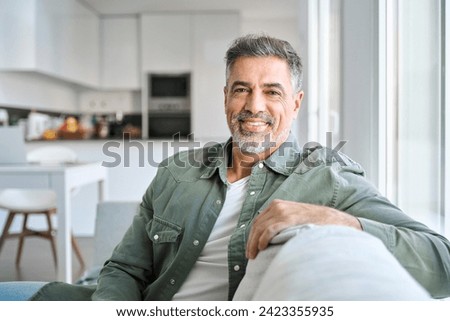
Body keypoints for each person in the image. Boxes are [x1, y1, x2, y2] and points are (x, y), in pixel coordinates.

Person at [28, 34, 450, 301]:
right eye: (242, 90)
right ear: (225, 96)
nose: (254, 106)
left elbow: (441, 261)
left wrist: (333, 219)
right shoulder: (177, 171)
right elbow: (124, 268)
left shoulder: (328, 177)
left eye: (272, 92)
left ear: (296, 103)